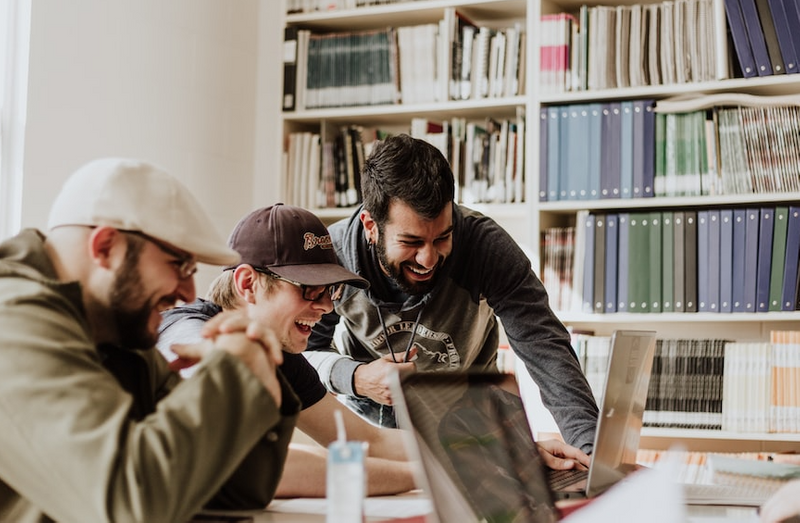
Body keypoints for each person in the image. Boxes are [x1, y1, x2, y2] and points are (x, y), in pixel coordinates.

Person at [0, 158, 297, 523]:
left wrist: (256, 371)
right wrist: (232, 372)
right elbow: (130, 504)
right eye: (180, 266)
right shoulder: (12, 319)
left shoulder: (119, 334)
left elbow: (232, 492)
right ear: (106, 246)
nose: (189, 294)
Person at [304, 133, 600, 456]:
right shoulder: (333, 258)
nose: (428, 259)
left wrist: (590, 455)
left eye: (442, 238)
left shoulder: (486, 248)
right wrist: (356, 377)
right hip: (373, 439)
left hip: (472, 435)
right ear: (370, 226)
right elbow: (303, 354)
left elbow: (548, 351)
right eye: (412, 242)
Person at [157, 203, 417, 497]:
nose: (327, 307)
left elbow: (366, 440)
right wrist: (424, 476)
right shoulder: (185, 333)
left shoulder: (280, 355)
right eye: (310, 288)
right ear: (248, 284)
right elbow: (254, 464)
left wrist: (462, 452)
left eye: (330, 291)